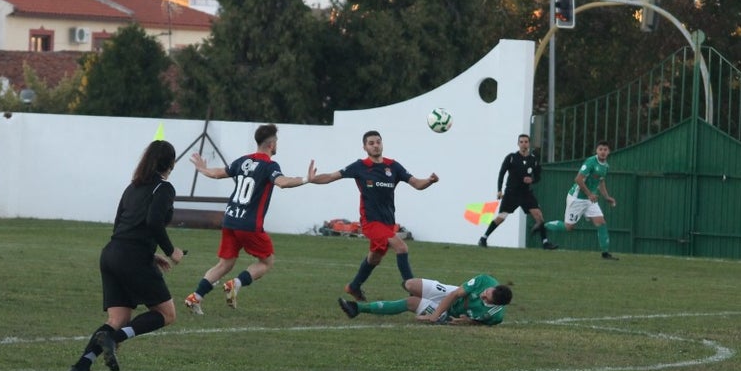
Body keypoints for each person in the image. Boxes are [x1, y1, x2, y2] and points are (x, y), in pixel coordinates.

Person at [67, 140, 186, 371]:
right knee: (166, 314)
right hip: (131, 257)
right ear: (172, 163)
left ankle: (81, 368)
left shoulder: (133, 187)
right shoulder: (164, 189)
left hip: (112, 252)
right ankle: (114, 338)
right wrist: (171, 250)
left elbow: (121, 221)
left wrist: (149, 253)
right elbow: (153, 222)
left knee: (117, 319)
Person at [183, 124, 314, 314]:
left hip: (230, 219)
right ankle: (235, 284)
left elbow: (218, 173)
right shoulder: (270, 166)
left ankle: (195, 297)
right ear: (271, 144)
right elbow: (282, 183)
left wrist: (203, 169)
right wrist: (305, 179)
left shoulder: (243, 161)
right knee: (267, 261)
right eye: (276, 142)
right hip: (249, 224)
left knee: (225, 263)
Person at [312, 130, 439, 301]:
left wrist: (429, 181)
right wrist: (311, 179)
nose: (375, 145)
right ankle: (413, 292)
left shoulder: (393, 166)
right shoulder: (360, 166)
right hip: (370, 222)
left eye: (378, 142)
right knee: (401, 248)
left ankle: (353, 286)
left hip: (387, 222)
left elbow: (416, 183)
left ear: (382, 144)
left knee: (375, 258)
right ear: (364, 147)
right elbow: (331, 176)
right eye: (371, 143)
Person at [337, 274, 512, 326]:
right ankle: (425, 306)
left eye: (485, 297)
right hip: (450, 294)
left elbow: (483, 323)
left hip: (449, 314)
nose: (483, 293)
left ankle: (357, 308)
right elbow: (454, 295)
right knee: (410, 285)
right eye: (486, 292)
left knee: (411, 302)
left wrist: (469, 322)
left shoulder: (495, 315)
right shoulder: (485, 281)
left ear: (494, 303)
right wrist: (434, 315)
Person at [478, 133, 557, 250]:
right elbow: (502, 173)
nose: (524, 144)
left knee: (539, 216)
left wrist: (532, 179)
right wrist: (499, 190)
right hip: (511, 193)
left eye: (526, 142)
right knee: (502, 217)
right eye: (521, 142)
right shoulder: (511, 157)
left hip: (526, 193)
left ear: (529, 144)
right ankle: (483, 238)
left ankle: (545, 243)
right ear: (518, 144)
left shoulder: (533, 160)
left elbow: (538, 176)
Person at [544, 140, 618, 260]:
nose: (603, 152)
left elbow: (601, 181)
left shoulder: (606, 166)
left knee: (601, 222)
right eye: (600, 149)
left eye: (605, 150)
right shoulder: (590, 162)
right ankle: (543, 226)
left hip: (590, 200)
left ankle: (605, 253)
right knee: (569, 227)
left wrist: (607, 197)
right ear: (596, 151)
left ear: (609, 151)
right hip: (577, 198)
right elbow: (578, 179)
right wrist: (589, 194)